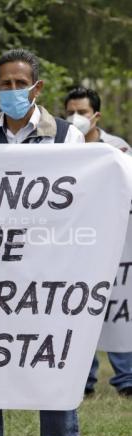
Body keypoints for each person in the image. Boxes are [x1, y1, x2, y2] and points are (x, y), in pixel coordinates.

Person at [0, 48, 84, 436]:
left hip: (48, 271)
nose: (12, 90)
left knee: (50, 356)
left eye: (20, 83)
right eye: (5, 84)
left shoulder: (68, 136)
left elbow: (82, 201)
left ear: (37, 87)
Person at [64, 86, 132, 397]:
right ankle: (83, 379)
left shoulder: (118, 148)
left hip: (114, 245)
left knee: (118, 306)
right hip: (77, 241)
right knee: (78, 307)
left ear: (96, 116)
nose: (76, 118)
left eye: (82, 112)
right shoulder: (62, 146)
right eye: (70, 113)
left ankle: (126, 379)